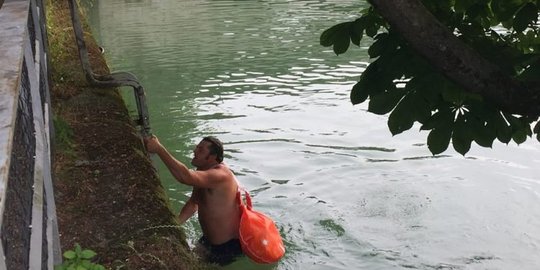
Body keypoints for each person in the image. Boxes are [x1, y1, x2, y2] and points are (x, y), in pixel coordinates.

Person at [144, 135, 243, 265]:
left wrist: (159, 149)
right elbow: (193, 203)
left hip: (227, 247)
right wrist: (175, 225)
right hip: (207, 241)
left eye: (201, 150)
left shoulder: (220, 175)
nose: (195, 151)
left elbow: (186, 177)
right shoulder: (203, 171)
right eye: (197, 147)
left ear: (212, 157)